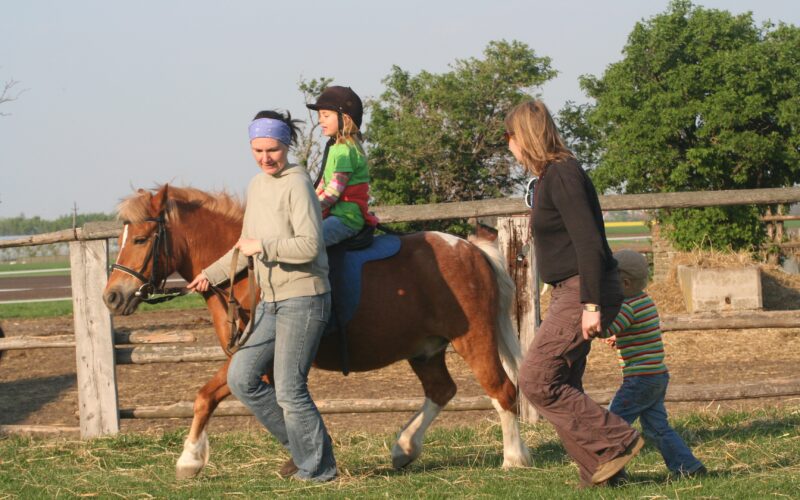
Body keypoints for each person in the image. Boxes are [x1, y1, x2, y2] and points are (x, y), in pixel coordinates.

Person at [187, 110, 337, 482]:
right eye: (258, 150)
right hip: (270, 301)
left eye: (273, 149)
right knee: (241, 377)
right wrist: (209, 275)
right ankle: (308, 450)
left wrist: (264, 246)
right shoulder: (257, 185)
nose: (265, 157)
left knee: (289, 388)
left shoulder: (297, 184)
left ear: (286, 146)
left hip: (304, 298)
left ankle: (319, 469)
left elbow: (310, 246)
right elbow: (244, 246)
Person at [508, 99, 644, 487]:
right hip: (569, 291)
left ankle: (617, 440)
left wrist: (591, 304)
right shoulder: (550, 177)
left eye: (509, 137)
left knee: (536, 380)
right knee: (563, 382)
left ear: (524, 136)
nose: (509, 146)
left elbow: (588, 243)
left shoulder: (563, 174)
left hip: (582, 291)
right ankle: (602, 474)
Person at [599, 250, 707, 481]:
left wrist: (592, 319)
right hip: (656, 376)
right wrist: (619, 338)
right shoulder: (645, 301)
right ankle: (688, 466)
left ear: (624, 283)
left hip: (639, 379)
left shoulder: (627, 306)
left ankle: (614, 473)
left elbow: (605, 329)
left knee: (613, 424)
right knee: (657, 428)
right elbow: (637, 331)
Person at [306, 86, 378, 247]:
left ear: (344, 118)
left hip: (347, 218)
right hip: (335, 215)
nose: (320, 120)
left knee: (308, 244)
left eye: (326, 115)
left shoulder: (345, 150)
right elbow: (323, 184)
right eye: (319, 116)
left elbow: (332, 193)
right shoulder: (335, 148)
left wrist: (307, 209)